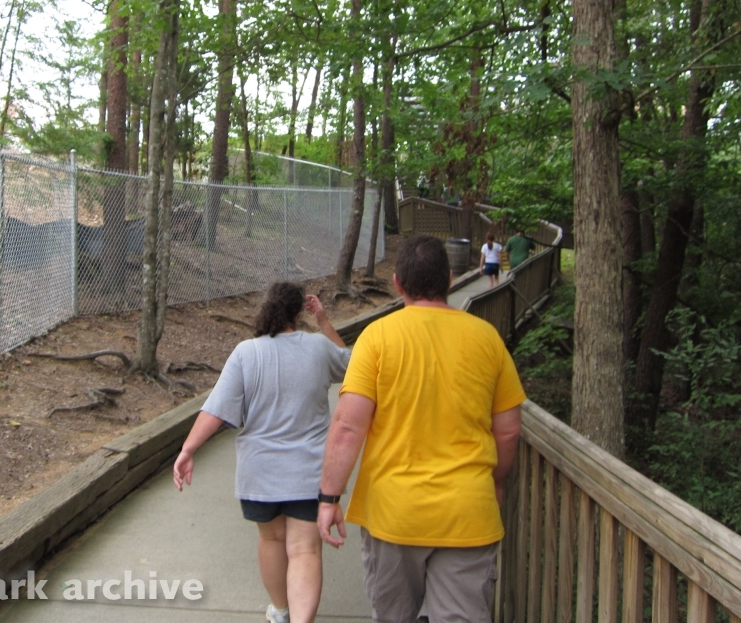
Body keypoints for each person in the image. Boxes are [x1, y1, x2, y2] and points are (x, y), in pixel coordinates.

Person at [317, 235, 524, 623]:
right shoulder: (487, 339)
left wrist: (329, 498)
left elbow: (347, 425)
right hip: (468, 511)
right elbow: (509, 430)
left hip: (393, 513)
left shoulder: (377, 337)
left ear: (396, 283)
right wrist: (496, 482)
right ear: (449, 279)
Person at [173, 282, 350, 623]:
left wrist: (188, 449)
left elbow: (217, 409)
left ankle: (280, 612)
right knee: (304, 549)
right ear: (298, 313)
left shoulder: (246, 353)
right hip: (307, 473)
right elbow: (351, 365)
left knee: (271, 541)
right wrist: (324, 324)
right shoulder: (317, 348)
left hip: (259, 474)